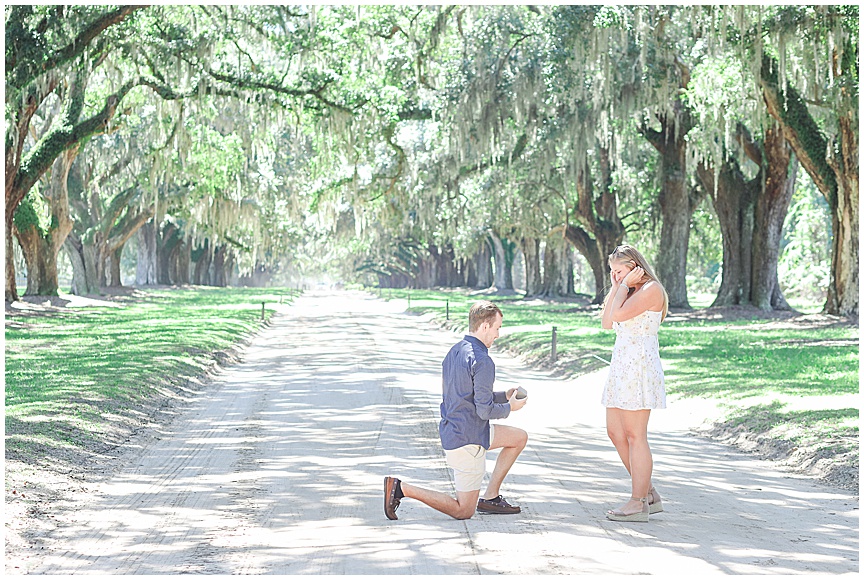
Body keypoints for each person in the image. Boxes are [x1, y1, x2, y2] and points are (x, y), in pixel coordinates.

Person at [385, 300, 528, 520]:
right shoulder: (483, 360)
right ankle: (402, 488)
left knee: (518, 437)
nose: (498, 334)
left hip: (458, 429)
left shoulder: (454, 352)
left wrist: (503, 396)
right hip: (468, 440)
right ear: (484, 327)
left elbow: (468, 396)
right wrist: (510, 407)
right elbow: (484, 411)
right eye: (498, 328)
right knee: (463, 510)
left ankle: (490, 497)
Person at [600, 244, 669, 522]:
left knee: (635, 435)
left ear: (635, 266)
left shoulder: (651, 290)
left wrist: (623, 288)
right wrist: (619, 286)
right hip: (621, 366)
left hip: (639, 366)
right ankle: (648, 492)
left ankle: (637, 502)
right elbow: (607, 322)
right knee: (615, 432)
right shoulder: (625, 291)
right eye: (612, 272)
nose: (615, 276)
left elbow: (617, 315)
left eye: (619, 271)